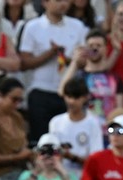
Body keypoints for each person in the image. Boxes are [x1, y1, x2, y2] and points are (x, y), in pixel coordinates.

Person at [19, 0, 89, 142]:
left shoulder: (77, 26)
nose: (63, 4)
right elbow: (25, 62)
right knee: (41, 139)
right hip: (40, 90)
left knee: (68, 139)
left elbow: (84, 61)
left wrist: (66, 58)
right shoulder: (32, 27)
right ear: (45, 3)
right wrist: (50, 53)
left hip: (69, 94)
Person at [49, 77, 106, 172]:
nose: (71, 102)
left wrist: (71, 157)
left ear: (86, 97)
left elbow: (95, 161)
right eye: (69, 97)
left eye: (76, 98)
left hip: (83, 179)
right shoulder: (55, 122)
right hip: (59, 179)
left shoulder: (93, 123)